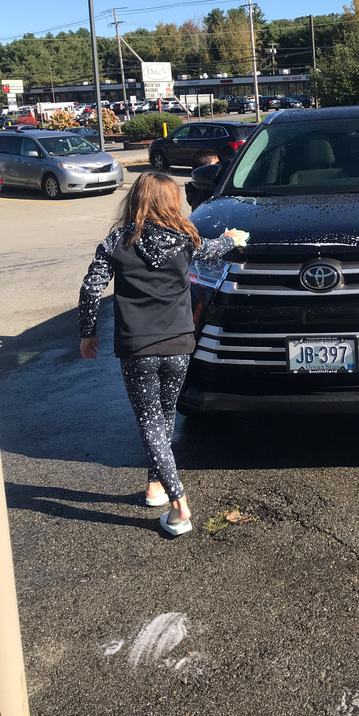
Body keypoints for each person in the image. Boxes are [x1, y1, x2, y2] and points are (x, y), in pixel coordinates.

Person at [78, 171, 248, 535]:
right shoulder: (187, 238)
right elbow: (215, 248)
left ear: (136, 200)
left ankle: (178, 504)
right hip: (180, 342)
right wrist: (231, 238)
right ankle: (155, 487)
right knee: (164, 417)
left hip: (137, 346)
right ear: (172, 202)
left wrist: (87, 333)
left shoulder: (118, 241)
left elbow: (91, 288)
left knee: (149, 421)